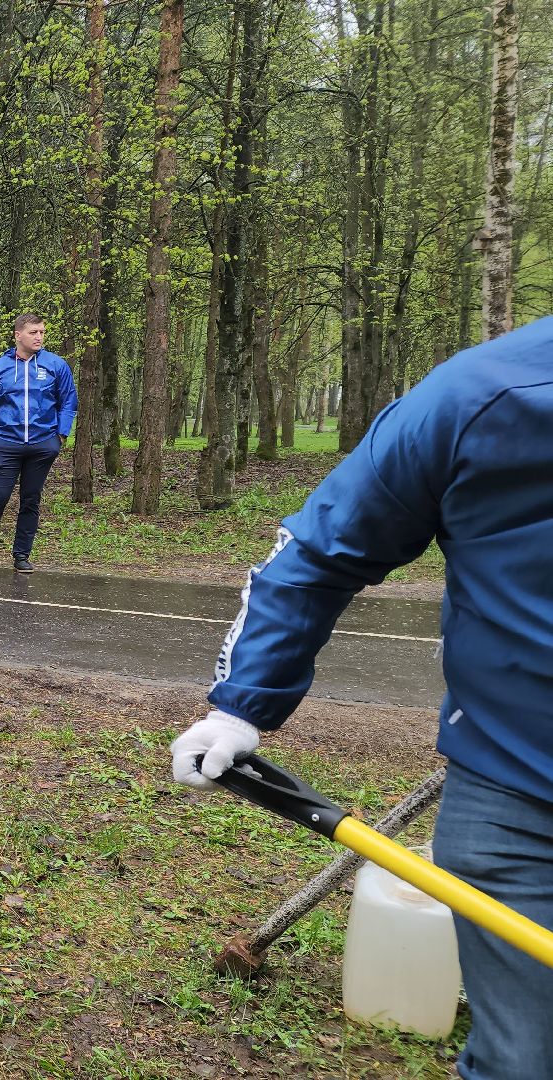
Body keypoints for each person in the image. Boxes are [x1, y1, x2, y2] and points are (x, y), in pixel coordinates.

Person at [171, 316, 553, 1080]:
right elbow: (313, 553)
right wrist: (242, 705)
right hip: (517, 804)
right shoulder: (482, 395)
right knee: (523, 1059)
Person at [0, 312, 76, 573]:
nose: (39, 337)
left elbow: (68, 401)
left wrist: (59, 436)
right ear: (18, 335)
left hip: (42, 445)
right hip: (6, 444)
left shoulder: (56, 365)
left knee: (30, 500)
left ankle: (21, 556)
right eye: (33, 332)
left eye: (42, 332)